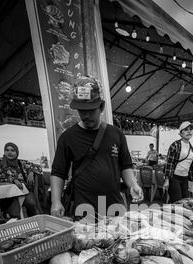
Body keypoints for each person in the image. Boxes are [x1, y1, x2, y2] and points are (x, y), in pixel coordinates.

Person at [51, 76, 143, 221]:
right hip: (84, 210)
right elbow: (58, 172)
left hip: (114, 208)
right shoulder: (67, 137)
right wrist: (55, 201)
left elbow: (125, 165)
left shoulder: (116, 134)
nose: (86, 115)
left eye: (91, 110)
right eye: (82, 110)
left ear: (101, 107)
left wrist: (133, 184)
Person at [0, 142, 43, 219]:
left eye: (12, 150)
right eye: (7, 150)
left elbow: (39, 167)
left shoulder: (21, 162)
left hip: (24, 189)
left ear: (17, 152)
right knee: (9, 209)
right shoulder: (0, 161)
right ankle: (13, 222)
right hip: (8, 192)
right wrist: (14, 180)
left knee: (31, 204)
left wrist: (31, 171)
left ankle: (34, 222)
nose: (9, 152)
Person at [163, 121, 193, 202]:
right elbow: (169, 163)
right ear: (181, 133)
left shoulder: (191, 147)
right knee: (177, 202)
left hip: (185, 179)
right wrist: (167, 180)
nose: (189, 131)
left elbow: (190, 165)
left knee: (185, 203)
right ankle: (171, 213)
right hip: (174, 178)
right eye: (186, 130)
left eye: (190, 129)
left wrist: (191, 180)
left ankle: (171, 212)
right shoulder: (175, 145)